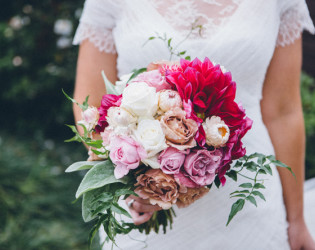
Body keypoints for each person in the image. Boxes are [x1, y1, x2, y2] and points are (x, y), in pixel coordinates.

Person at [72, 0, 315, 249]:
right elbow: (88, 105)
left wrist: (296, 220)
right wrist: (134, 184)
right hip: (142, 206)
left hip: (249, 199)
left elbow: (283, 112)